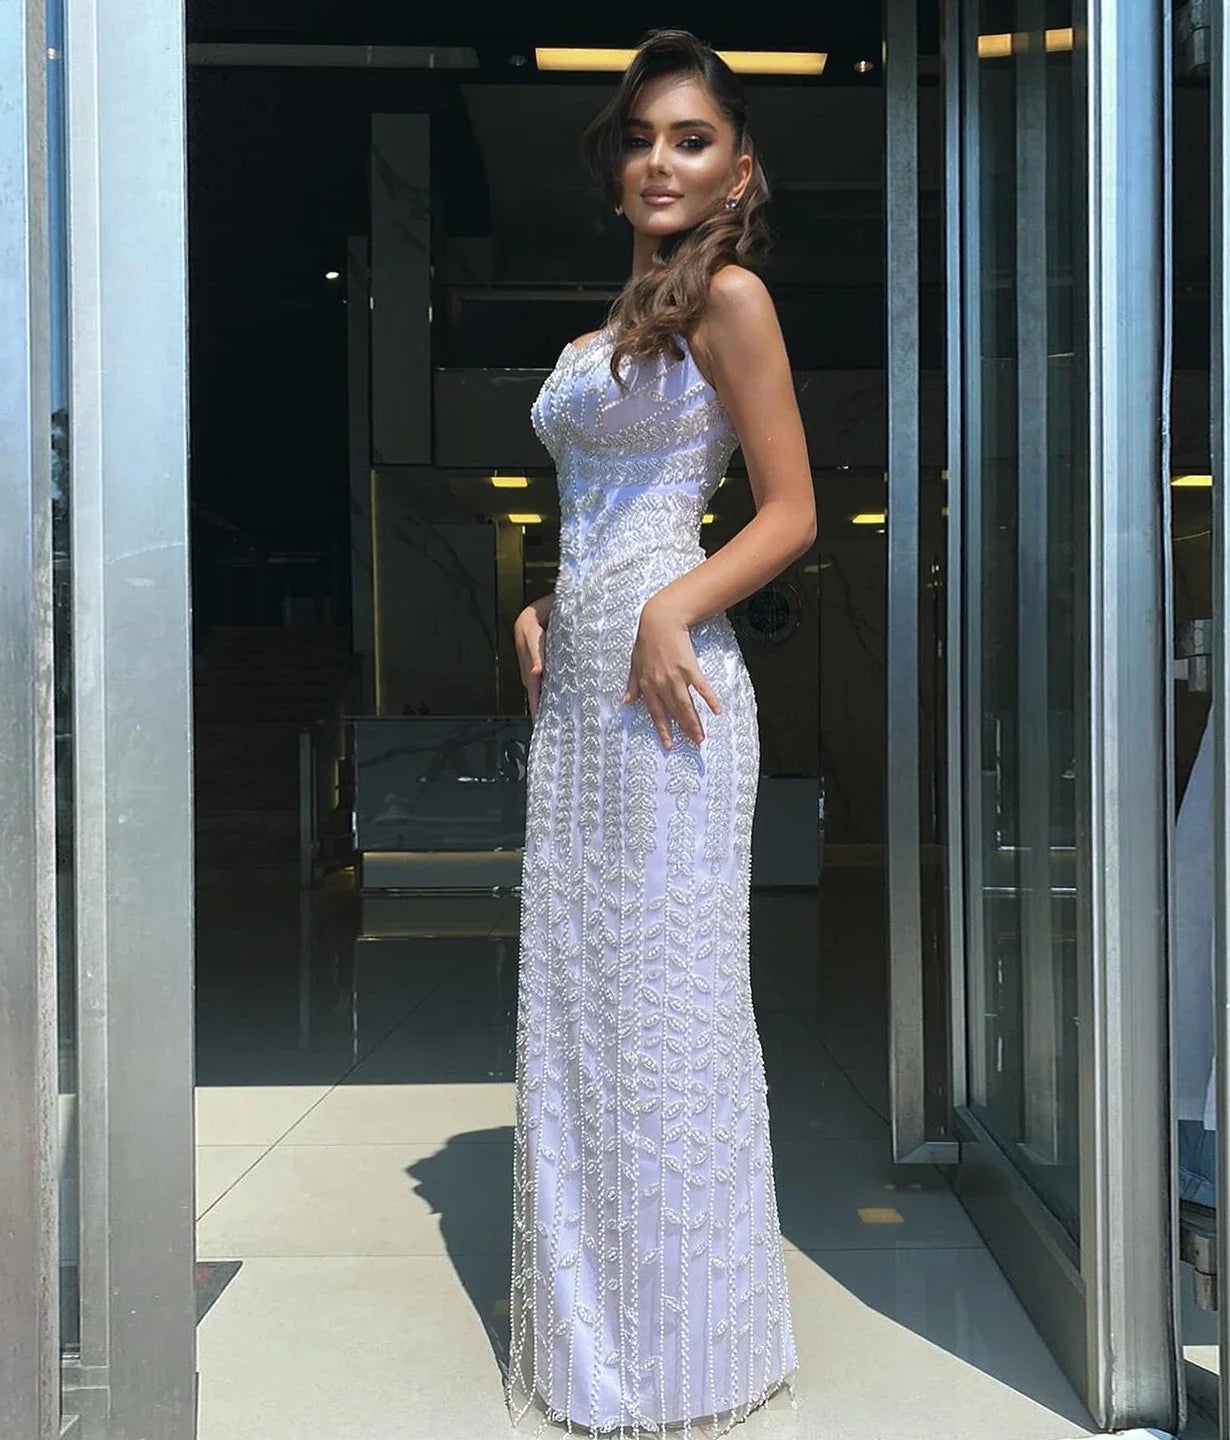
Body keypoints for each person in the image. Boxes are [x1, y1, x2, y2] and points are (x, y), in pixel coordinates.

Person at [506, 28, 816, 1438]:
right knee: (584, 1014)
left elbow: (791, 512)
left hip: (673, 697)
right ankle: (593, 1345)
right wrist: (548, 605)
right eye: (638, 137)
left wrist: (667, 610)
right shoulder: (611, 326)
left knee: (670, 1017)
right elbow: (601, 511)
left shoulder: (733, 301)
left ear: (738, 167)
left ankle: (685, 1354)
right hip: (581, 705)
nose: (658, 160)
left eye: (689, 138)